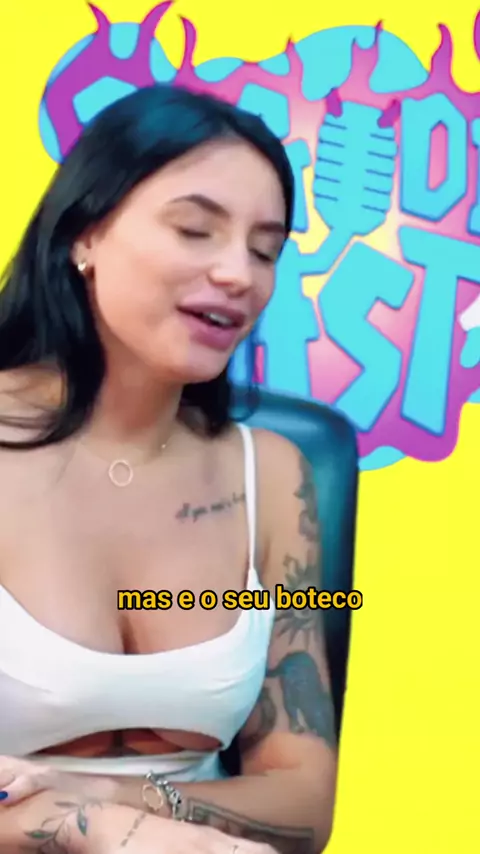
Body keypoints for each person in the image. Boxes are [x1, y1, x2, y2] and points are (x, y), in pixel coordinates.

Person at [0, 84, 337, 854]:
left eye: (264, 249)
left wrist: (114, 798)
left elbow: (303, 800)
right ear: (85, 233)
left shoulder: (273, 477)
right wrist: (99, 830)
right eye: (195, 229)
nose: (238, 274)